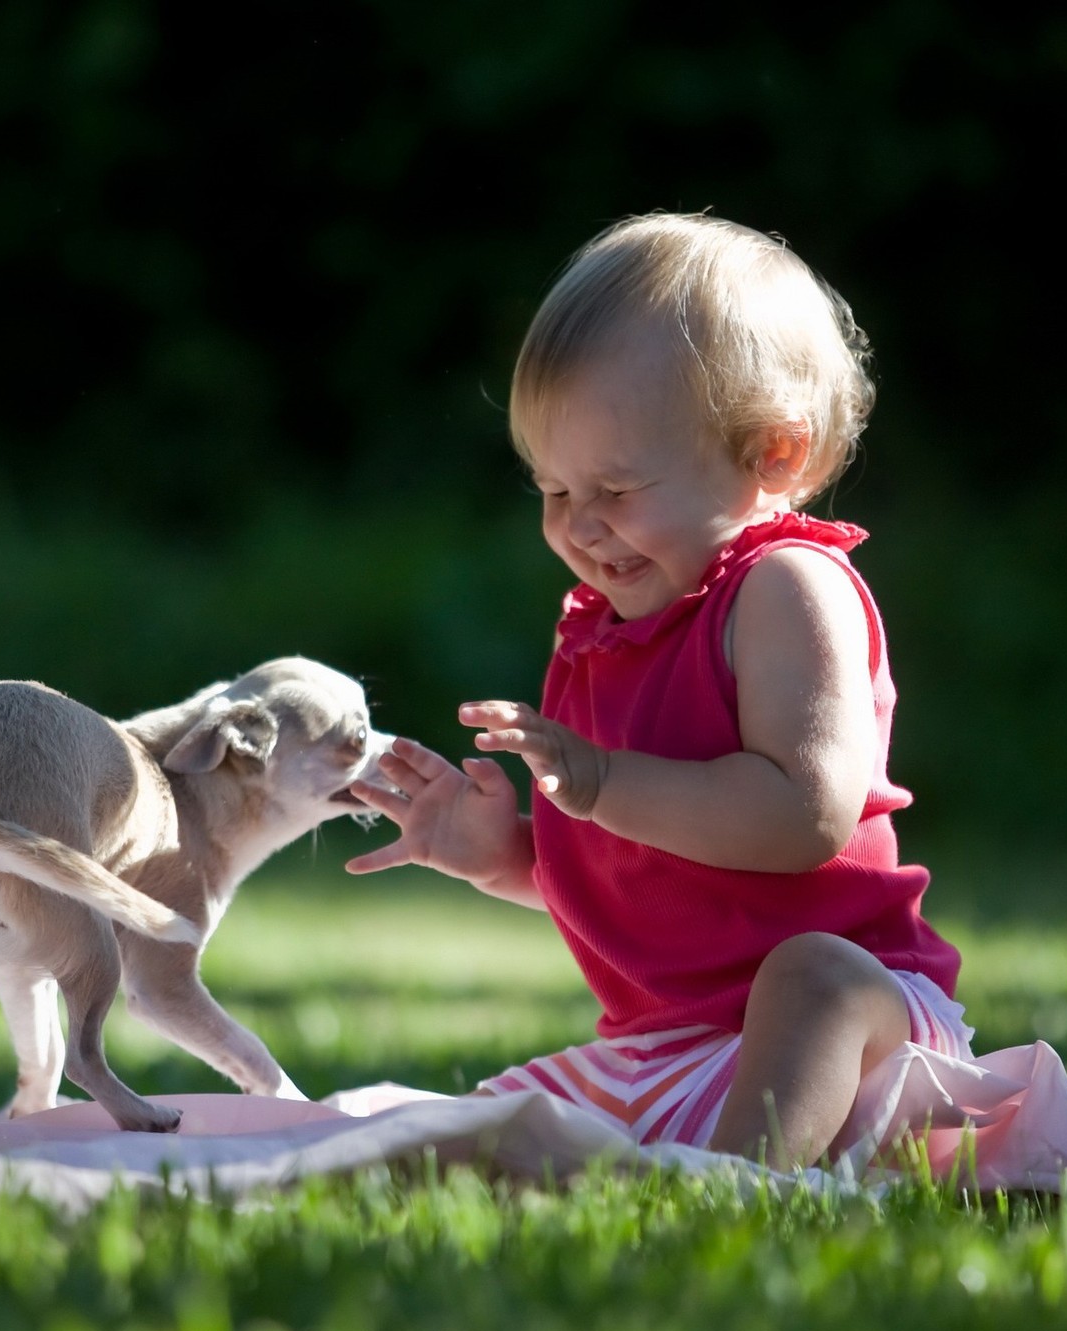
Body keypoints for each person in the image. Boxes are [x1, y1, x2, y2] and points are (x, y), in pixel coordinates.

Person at [345, 212, 970, 1168]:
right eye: (554, 492)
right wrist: (506, 855)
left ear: (774, 454)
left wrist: (598, 782)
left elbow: (805, 814)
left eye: (617, 489)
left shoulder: (785, 587)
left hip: (859, 1041)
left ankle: (739, 1188)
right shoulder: (604, 628)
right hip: (674, 1054)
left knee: (812, 979)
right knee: (452, 1148)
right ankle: (708, 1162)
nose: (582, 527)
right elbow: (647, 877)